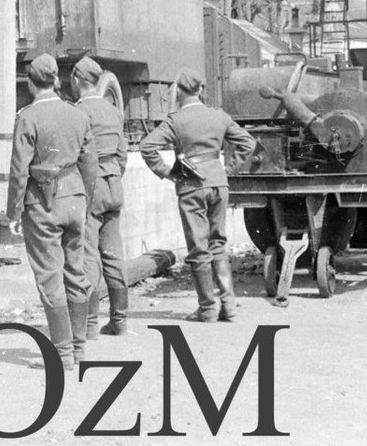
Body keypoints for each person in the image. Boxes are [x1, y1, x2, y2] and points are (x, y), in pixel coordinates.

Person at [139, 67, 256, 323]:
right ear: (201, 90)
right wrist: (230, 168)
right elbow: (248, 142)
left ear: (179, 91)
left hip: (191, 186)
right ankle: (229, 305)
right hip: (218, 182)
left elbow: (147, 146)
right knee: (218, 244)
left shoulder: (175, 120)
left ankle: (207, 308)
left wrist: (168, 172)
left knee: (198, 248)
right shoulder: (219, 116)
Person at [6, 54, 98, 369]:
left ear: (31, 83)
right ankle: (80, 348)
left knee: (50, 277)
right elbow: (90, 163)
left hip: (43, 202)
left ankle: (61, 354)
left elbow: (19, 170)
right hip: (75, 199)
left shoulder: (28, 117)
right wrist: (84, 199)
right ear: (56, 81)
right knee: (76, 273)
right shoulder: (77, 114)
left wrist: (13, 211)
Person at [71, 57, 130, 337]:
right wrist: (114, 177)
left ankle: (90, 325)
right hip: (113, 185)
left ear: (78, 80)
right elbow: (122, 155)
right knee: (114, 253)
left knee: (89, 254)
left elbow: (75, 157)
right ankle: (119, 320)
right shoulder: (112, 111)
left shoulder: (79, 112)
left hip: (90, 187)